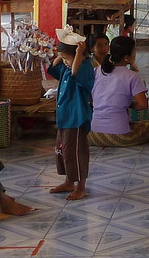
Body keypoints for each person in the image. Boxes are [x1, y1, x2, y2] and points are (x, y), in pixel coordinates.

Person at [89, 36, 149, 147]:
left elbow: (91, 99)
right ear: (127, 57)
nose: (135, 54)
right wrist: (128, 104)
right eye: (134, 51)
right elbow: (143, 105)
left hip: (94, 134)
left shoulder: (96, 71)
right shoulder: (132, 76)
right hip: (119, 135)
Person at [48, 36, 95, 200]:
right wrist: (62, 54)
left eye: (67, 58)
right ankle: (69, 181)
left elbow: (76, 71)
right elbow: (54, 66)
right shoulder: (67, 67)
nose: (65, 62)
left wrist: (78, 53)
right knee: (65, 151)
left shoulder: (85, 68)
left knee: (76, 152)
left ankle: (81, 186)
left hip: (76, 118)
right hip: (64, 117)